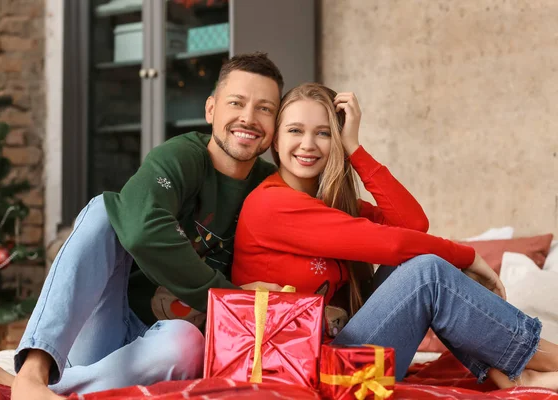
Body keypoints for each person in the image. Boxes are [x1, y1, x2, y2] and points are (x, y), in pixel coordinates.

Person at [0, 52, 285, 399]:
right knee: (105, 210)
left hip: (159, 349)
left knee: (189, 342)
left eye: (265, 109)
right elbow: (141, 230)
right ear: (211, 110)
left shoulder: (272, 186)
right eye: (236, 102)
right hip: (106, 326)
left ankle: (37, 387)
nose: (249, 118)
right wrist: (231, 297)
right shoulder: (182, 157)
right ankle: (32, 371)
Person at [232, 82, 558, 390]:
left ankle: (514, 372)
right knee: (427, 272)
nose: (308, 144)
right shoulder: (272, 204)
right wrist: (469, 255)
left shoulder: (331, 206)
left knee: (416, 261)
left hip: (335, 360)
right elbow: (396, 243)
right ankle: (536, 361)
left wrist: (355, 148)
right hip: (305, 370)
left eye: (324, 133)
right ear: (275, 141)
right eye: (295, 131)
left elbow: (412, 225)